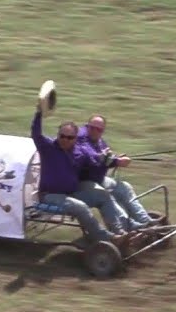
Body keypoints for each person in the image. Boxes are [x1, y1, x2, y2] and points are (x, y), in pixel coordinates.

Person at [29, 105, 131, 244]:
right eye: (62, 136)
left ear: (76, 138)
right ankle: (106, 238)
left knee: (103, 195)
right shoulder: (48, 147)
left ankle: (120, 232)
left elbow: (96, 162)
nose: (65, 139)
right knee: (81, 207)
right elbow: (36, 133)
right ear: (58, 135)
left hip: (72, 193)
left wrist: (115, 161)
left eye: (69, 137)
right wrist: (39, 113)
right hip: (50, 195)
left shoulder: (80, 152)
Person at [75, 114, 155, 228]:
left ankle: (145, 221)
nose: (94, 131)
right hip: (81, 182)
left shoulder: (99, 141)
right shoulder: (80, 138)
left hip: (97, 178)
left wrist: (116, 159)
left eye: (98, 129)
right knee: (105, 194)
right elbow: (90, 156)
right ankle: (126, 226)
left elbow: (104, 160)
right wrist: (115, 161)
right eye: (91, 127)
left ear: (102, 131)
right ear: (87, 126)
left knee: (124, 187)